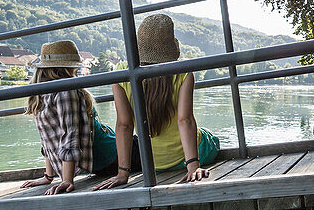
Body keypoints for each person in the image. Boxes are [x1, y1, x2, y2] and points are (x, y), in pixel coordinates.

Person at [94, 14, 220, 189]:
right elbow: (185, 120)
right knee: (210, 137)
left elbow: (124, 125)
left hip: (151, 161)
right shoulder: (183, 72)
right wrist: (193, 166)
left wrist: (123, 173)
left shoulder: (121, 72)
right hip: (187, 157)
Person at [21, 40, 118, 194]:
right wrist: (64, 180)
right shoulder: (65, 90)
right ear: (66, 68)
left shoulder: (40, 93)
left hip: (108, 156)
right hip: (111, 156)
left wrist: (51, 176)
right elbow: (67, 136)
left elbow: (52, 136)